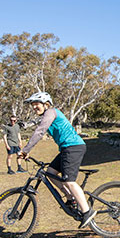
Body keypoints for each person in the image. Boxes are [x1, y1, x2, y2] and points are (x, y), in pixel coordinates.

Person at [18, 92, 96, 229]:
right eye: (33, 105)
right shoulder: (45, 115)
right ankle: (71, 198)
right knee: (51, 172)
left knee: (69, 181)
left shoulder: (51, 112)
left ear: (45, 103)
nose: (34, 107)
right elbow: (36, 124)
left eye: (36, 104)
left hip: (74, 147)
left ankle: (87, 212)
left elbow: (40, 131)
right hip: (66, 148)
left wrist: (26, 149)